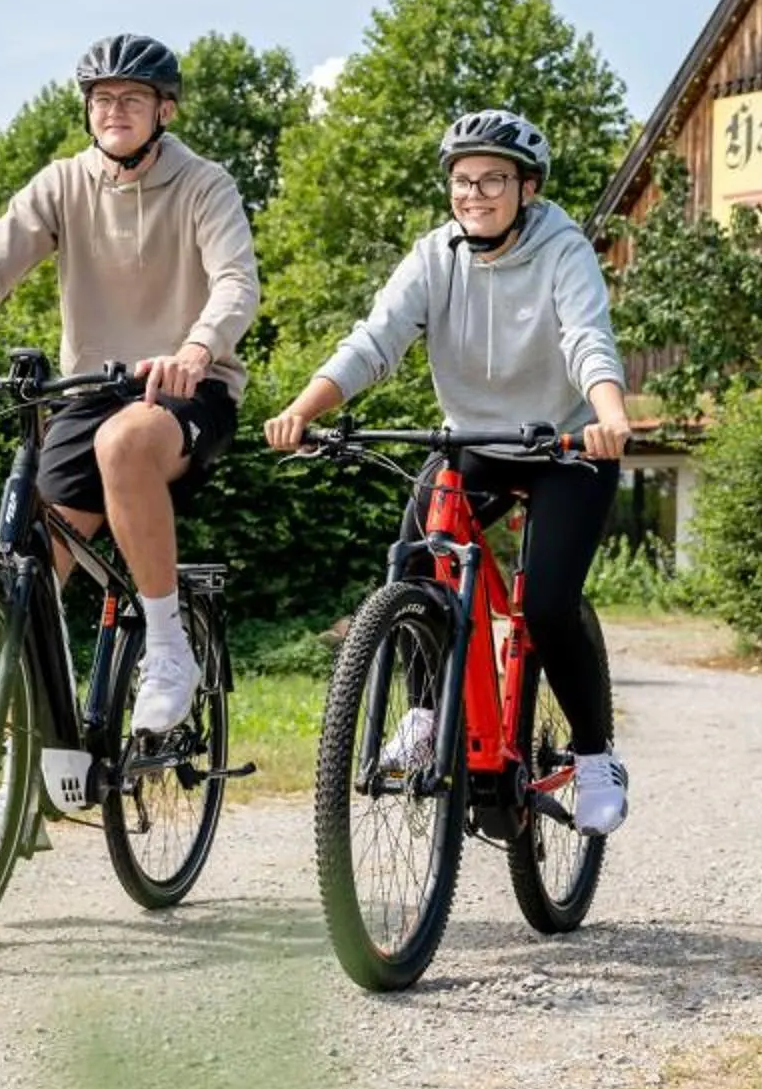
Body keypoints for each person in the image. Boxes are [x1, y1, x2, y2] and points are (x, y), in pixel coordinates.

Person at [0, 33, 260, 853]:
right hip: (86, 393)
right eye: (100, 99)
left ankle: (168, 649)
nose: (112, 112)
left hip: (185, 392)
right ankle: (24, 784)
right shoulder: (63, 184)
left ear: (164, 110)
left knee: (128, 443)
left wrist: (198, 346)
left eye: (131, 98)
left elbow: (236, 280)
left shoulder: (204, 184)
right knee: (28, 573)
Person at [262, 108, 636, 836]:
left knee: (550, 604)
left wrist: (609, 415)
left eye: (494, 179)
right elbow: (376, 339)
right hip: (472, 443)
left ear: (527, 188)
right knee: (413, 571)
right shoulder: (436, 255)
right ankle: (429, 714)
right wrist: (304, 407)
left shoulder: (564, 250)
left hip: (565, 448)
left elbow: (587, 338)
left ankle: (594, 757)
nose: (475, 194)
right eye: (463, 181)